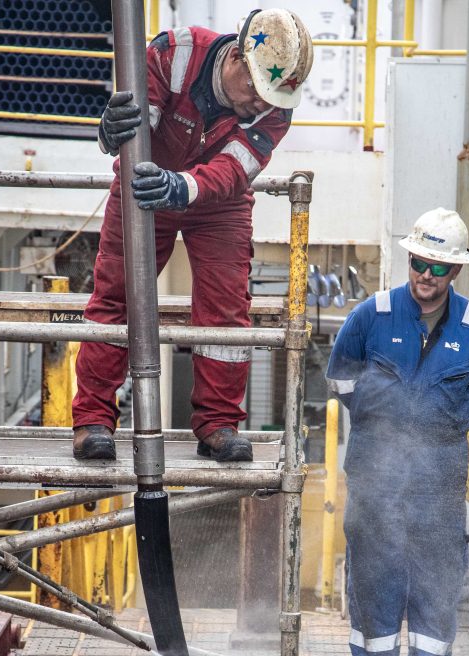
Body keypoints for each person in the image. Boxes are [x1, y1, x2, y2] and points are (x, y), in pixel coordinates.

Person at [72, 8, 313, 463]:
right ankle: (92, 422)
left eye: (273, 99)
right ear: (239, 57)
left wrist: (183, 188)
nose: (263, 106)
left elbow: (232, 170)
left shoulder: (277, 106)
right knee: (115, 298)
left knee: (225, 313)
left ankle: (219, 425)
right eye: (259, 93)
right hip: (143, 186)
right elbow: (133, 127)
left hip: (218, 203)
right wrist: (110, 132)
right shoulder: (173, 54)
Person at [326, 208, 469, 656]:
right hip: (374, 489)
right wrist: (383, 423)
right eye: (419, 263)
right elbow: (340, 381)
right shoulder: (373, 316)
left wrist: (436, 428)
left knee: (434, 594)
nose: (425, 276)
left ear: (456, 273)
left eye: (438, 269)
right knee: (373, 591)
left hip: (437, 489)